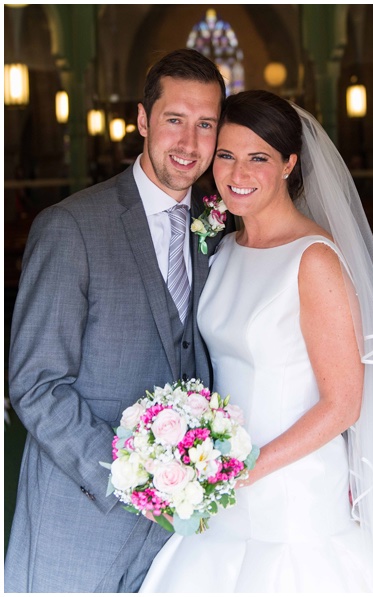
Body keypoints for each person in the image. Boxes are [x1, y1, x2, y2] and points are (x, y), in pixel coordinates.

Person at [137, 90, 373, 592]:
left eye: (258, 158)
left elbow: (343, 404)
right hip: (219, 487)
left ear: (289, 164)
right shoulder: (225, 250)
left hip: (291, 500)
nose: (238, 174)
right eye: (226, 156)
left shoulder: (314, 259)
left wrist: (243, 471)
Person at [5, 49, 225, 592]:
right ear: (144, 121)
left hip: (185, 539)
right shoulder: (71, 228)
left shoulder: (219, 228)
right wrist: (135, 483)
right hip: (80, 520)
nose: (189, 143)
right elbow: (35, 385)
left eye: (206, 125)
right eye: (174, 120)